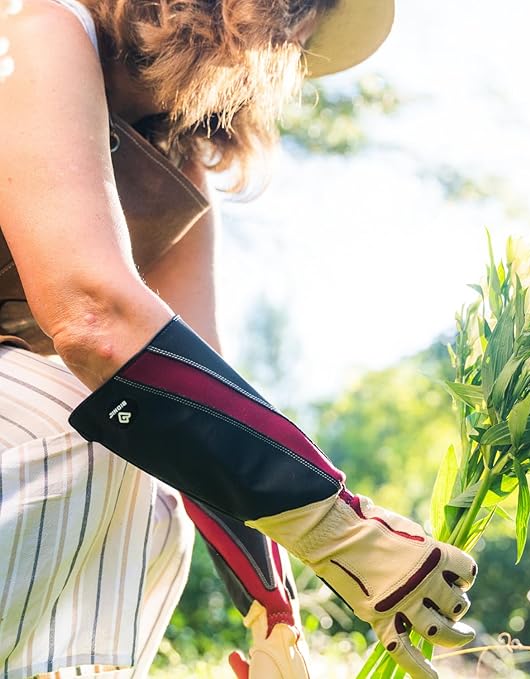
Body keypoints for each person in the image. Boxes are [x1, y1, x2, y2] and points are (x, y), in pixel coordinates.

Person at [0, 1, 478, 678]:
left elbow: (188, 398)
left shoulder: (179, 169)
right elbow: (93, 316)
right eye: (302, 18)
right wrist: (337, 523)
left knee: (153, 487)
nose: (298, 47)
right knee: (78, 429)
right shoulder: (38, 24)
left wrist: (274, 610)